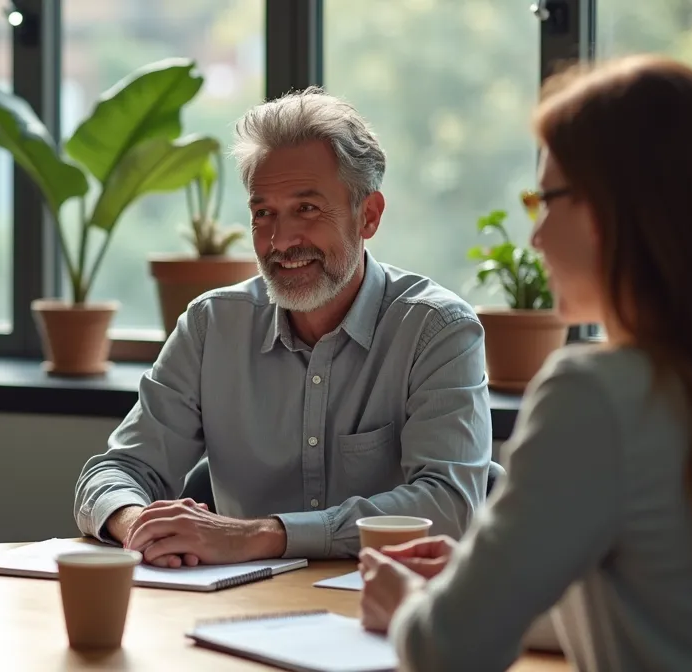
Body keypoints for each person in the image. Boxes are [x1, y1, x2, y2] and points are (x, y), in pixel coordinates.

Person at [360, 56, 692, 671]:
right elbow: (673, 612)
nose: (535, 237)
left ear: (606, 209)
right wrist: (484, 583)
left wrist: (407, 602)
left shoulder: (596, 396)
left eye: (547, 200)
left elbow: (448, 650)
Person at [73, 87, 492, 567]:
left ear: (369, 216)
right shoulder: (212, 325)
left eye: (307, 209)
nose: (280, 241)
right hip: (236, 613)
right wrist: (140, 526)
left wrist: (257, 536)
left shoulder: (437, 329)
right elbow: (117, 471)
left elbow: (448, 505)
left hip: (385, 613)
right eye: (262, 213)